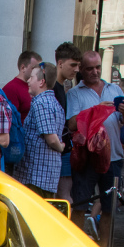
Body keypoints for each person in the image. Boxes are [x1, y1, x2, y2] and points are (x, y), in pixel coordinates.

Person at [66, 50, 124, 247]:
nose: (95, 72)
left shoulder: (115, 89)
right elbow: (72, 124)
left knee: (109, 207)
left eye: (98, 67)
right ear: (81, 70)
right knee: (80, 205)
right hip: (87, 158)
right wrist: (96, 109)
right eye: (90, 68)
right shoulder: (75, 93)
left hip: (113, 157)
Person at [14, 62, 63, 197]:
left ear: (42, 82)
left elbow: (51, 139)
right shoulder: (52, 102)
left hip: (37, 177)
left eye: (32, 78)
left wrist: (61, 147)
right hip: (42, 177)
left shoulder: (42, 103)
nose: (28, 80)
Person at [52, 42, 81, 202]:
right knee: (63, 199)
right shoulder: (53, 89)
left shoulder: (61, 87)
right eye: (73, 65)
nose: (76, 69)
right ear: (60, 63)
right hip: (57, 150)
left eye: (78, 65)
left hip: (62, 150)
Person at [3, 50, 41, 118]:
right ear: (23, 68)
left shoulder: (36, 86)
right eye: (34, 68)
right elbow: (11, 119)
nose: (37, 72)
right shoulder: (11, 89)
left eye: (39, 69)